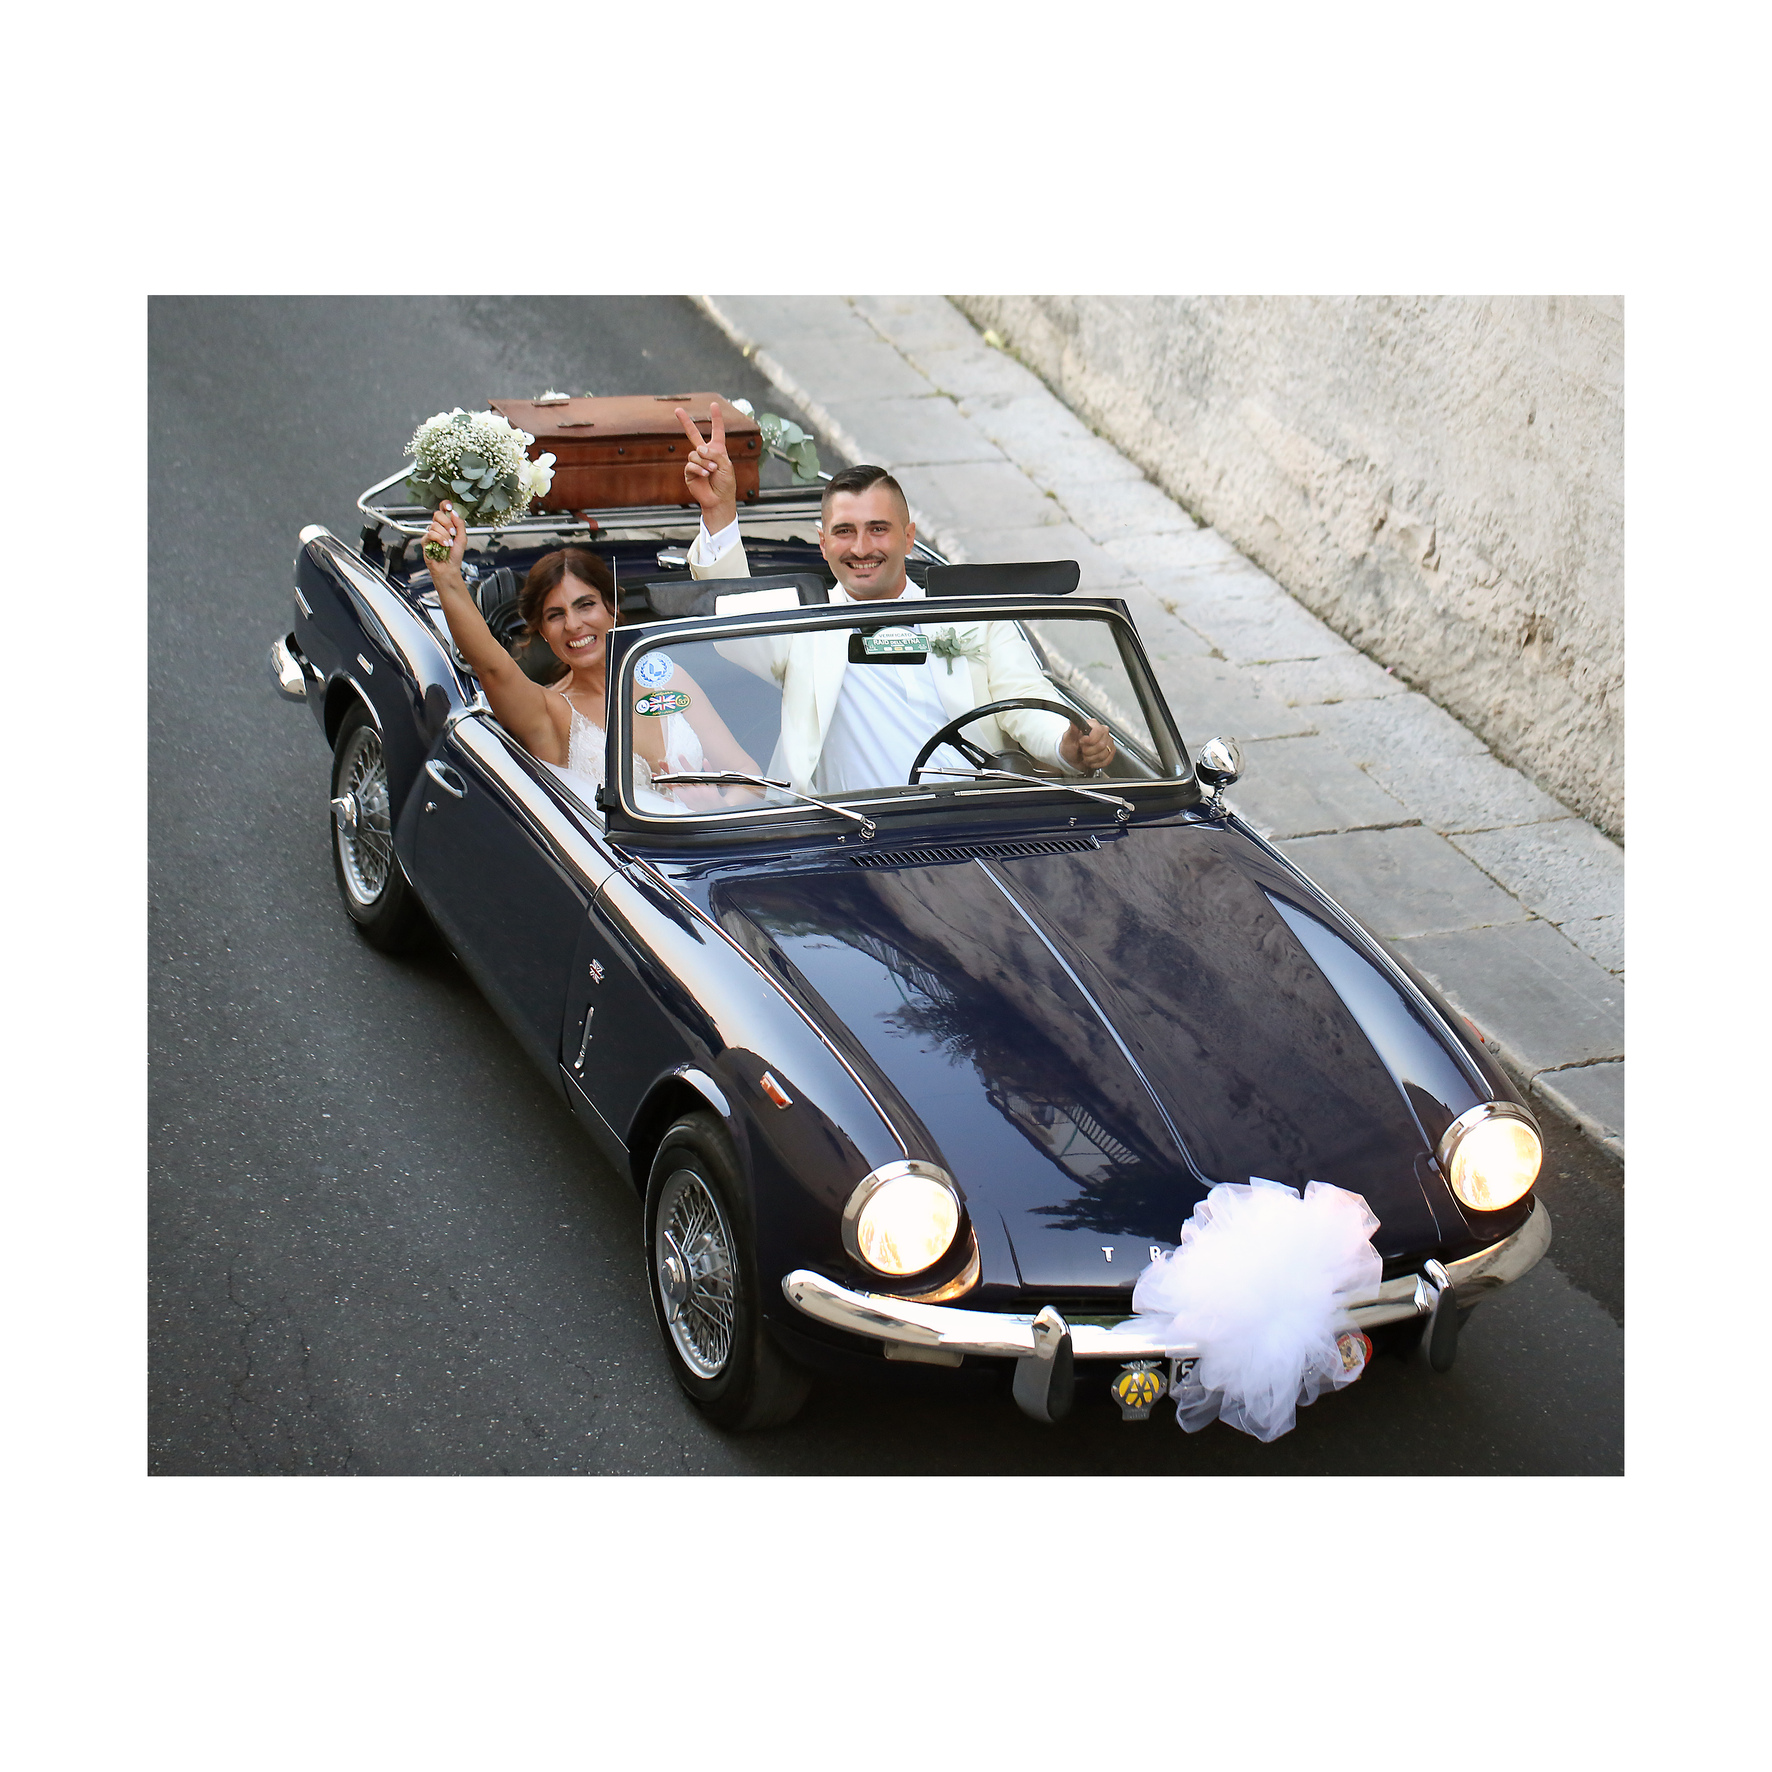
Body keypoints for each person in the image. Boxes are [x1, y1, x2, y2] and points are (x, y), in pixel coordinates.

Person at [672, 400, 1117, 798]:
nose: (861, 548)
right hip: (849, 839)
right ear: (823, 544)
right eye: (844, 531)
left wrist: (1067, 746)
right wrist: (719, 511)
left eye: (878, 529)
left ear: (908, 538)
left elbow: (1025, 698)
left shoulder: (974, 617)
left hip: (975, 830)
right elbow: (730, 619)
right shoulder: (802, 624)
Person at [420, 501, 761, 812]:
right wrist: (446, 577)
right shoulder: (549, 712)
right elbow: (491, 667)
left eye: (585, 605)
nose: (573, 625)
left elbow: (749, 776)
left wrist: (718, 807)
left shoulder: (667, 678)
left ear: (611, 607)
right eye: (555, 615)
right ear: (542, 632)